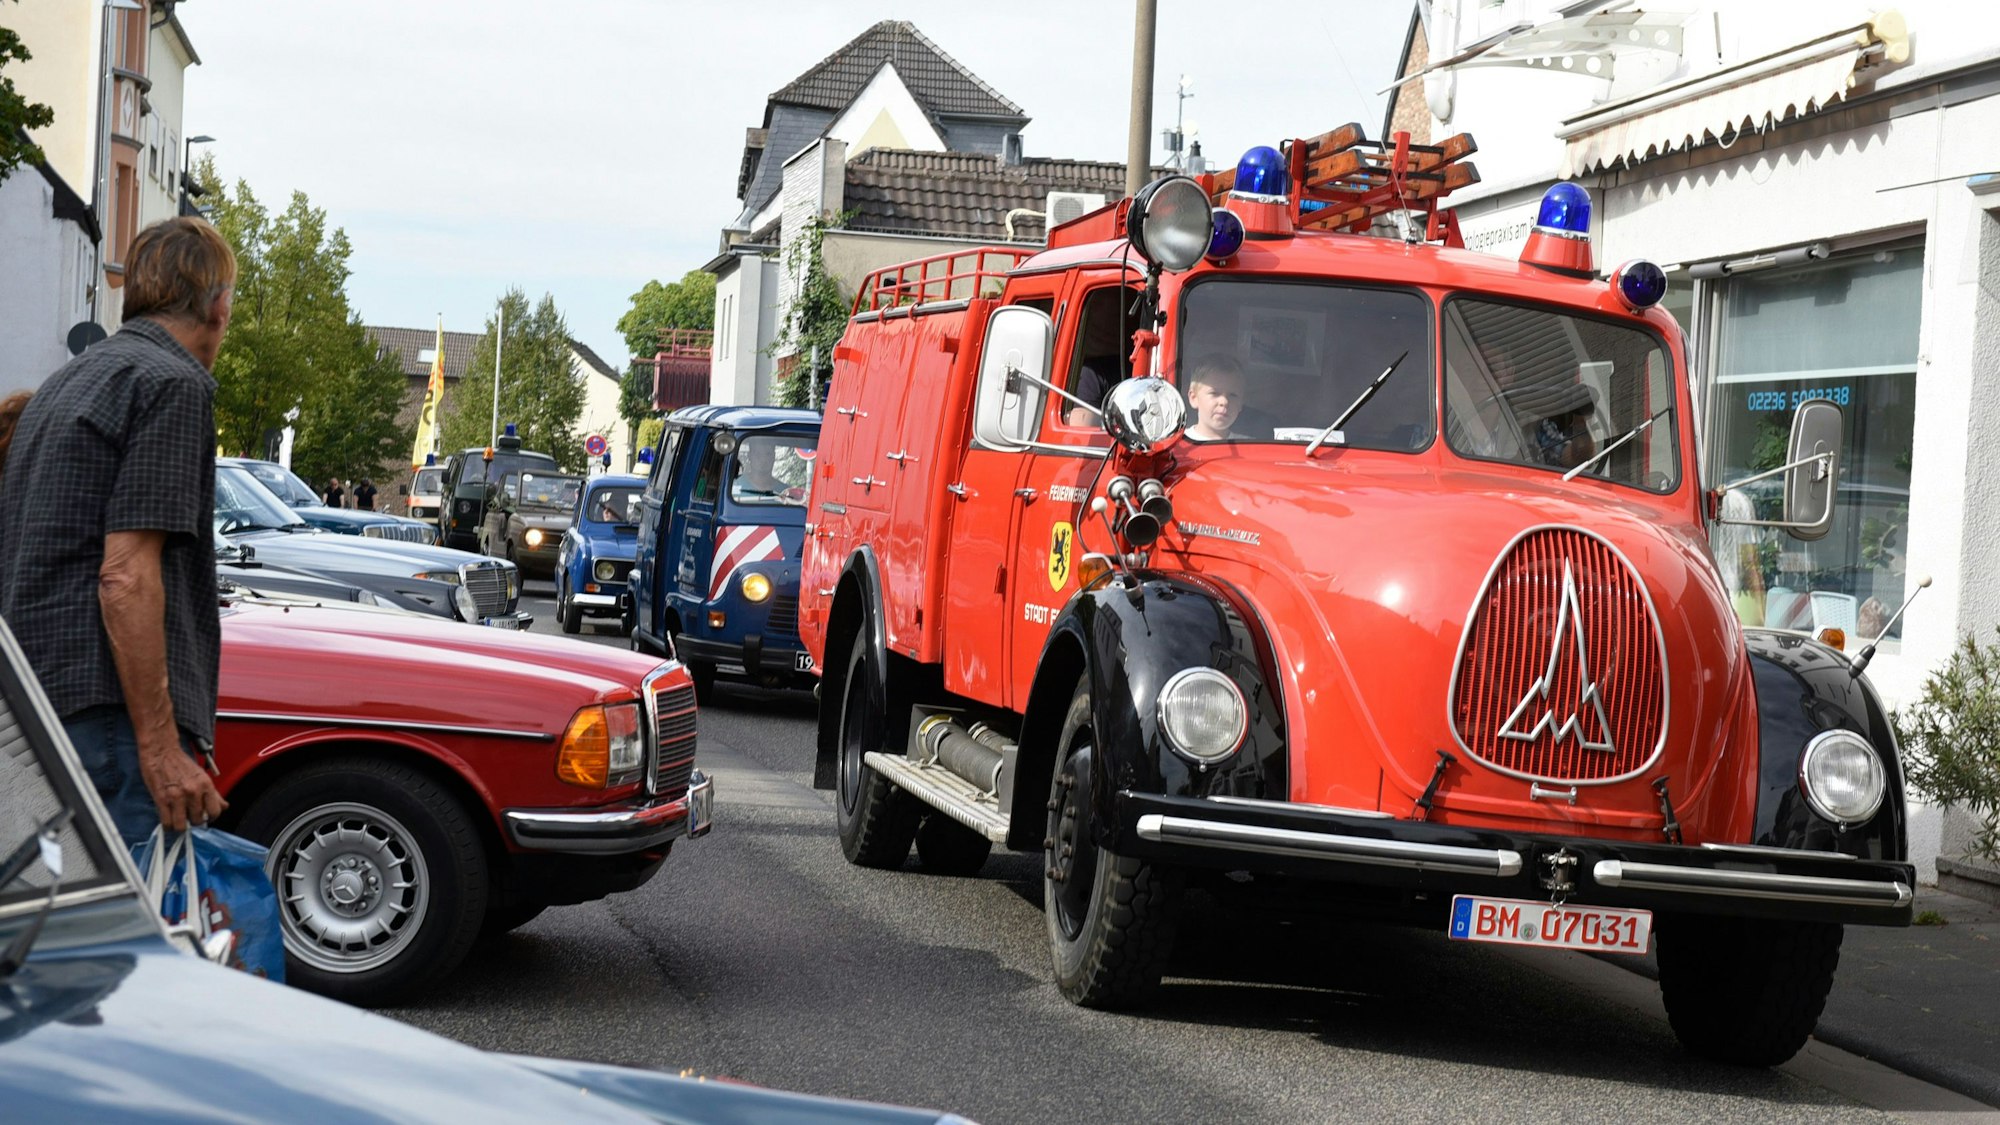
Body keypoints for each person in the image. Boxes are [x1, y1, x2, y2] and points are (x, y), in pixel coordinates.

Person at [0, 216, 234, 847]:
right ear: (216, 307)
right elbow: (126, 576)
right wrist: (160, 748)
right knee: (124, 939)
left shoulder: (64, 383)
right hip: (110, 723)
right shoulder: (173, 384)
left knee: (59, 933)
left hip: (35, 718)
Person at [1184, 355, 1247, 441]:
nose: (1224, 401)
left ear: (1240, 403)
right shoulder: (1177, 444)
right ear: (1194, 398)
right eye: (1214, 393)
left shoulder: (1250, 447)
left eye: (1233, 395)